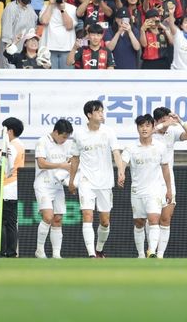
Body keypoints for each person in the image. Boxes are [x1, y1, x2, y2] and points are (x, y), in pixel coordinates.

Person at [69, 100, 125, 258]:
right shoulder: (79, 134)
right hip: (86, 180)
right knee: (87, 215)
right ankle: (91, 254)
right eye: (98, 111)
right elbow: (75, 159)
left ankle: (99, 249)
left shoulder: (108, 132)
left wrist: (121, 171)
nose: (101, 114)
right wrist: (72, 181)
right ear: (89, 115)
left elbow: (116, 152)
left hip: (105, 182)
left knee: (105, 221)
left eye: (102, 111)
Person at [120, 114, 172, 259]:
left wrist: (169, 190)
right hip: (137, 190)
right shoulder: (131, 147)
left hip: (155, 190)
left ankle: (152, 251)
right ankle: (141, 254)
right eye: (141, 126)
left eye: (147, 125)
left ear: (152, 127)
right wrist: (121, 173)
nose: (144, 129)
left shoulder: (160, 147)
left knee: (154, 219)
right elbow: (123, 162)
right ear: (137, 128)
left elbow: (166, 169)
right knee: (139, 222)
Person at [152, 107, 187, 258]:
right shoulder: (150, 133)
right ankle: (149, 251)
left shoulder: (172, 132)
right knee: (151, 219)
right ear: (156, 121)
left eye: (167, 119)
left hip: (168, 181)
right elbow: (148, 132)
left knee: (166, 218)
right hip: (150, 182)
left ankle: (160, 255)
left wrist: (180, 121)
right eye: (163, 120)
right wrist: (163, 125)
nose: (167, 123)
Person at [34, 118, 74, 259]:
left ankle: (56, 254)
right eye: (63, 137)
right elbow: (41, 163)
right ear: (56, 132)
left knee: (57, 218)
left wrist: (71, 181)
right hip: (43, 184)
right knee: (48, 216)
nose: (64, 140)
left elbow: (70, 162)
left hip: (58, 186)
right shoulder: (42, 141)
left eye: (67, 137)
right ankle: (40, 250)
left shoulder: (67, 145)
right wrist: (60, 165)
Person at [0, 117, 25, 258]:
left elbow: (7, 166)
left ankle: (6, 251)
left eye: (4, 129)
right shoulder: (20, 145)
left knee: (5, 222)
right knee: (11, 222)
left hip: (7, 188)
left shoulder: (11, 146)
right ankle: (11, 251)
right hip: (14, 188)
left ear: (10, 131)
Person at [0, 0, 39, 68]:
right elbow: (6, 32)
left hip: (24, 51)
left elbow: (34, 29)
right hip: (11, 49)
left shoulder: (31, 9)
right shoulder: (10, 7)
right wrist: (9, 49)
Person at [39, 0, 78, 69]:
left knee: (67, 79)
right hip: (49, 48)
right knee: (51, 79)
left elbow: (69, 26)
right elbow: (44, 21)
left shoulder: (72, 8)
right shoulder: (45, 7)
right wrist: (50, 5)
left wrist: (62, 9)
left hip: (67, 48)